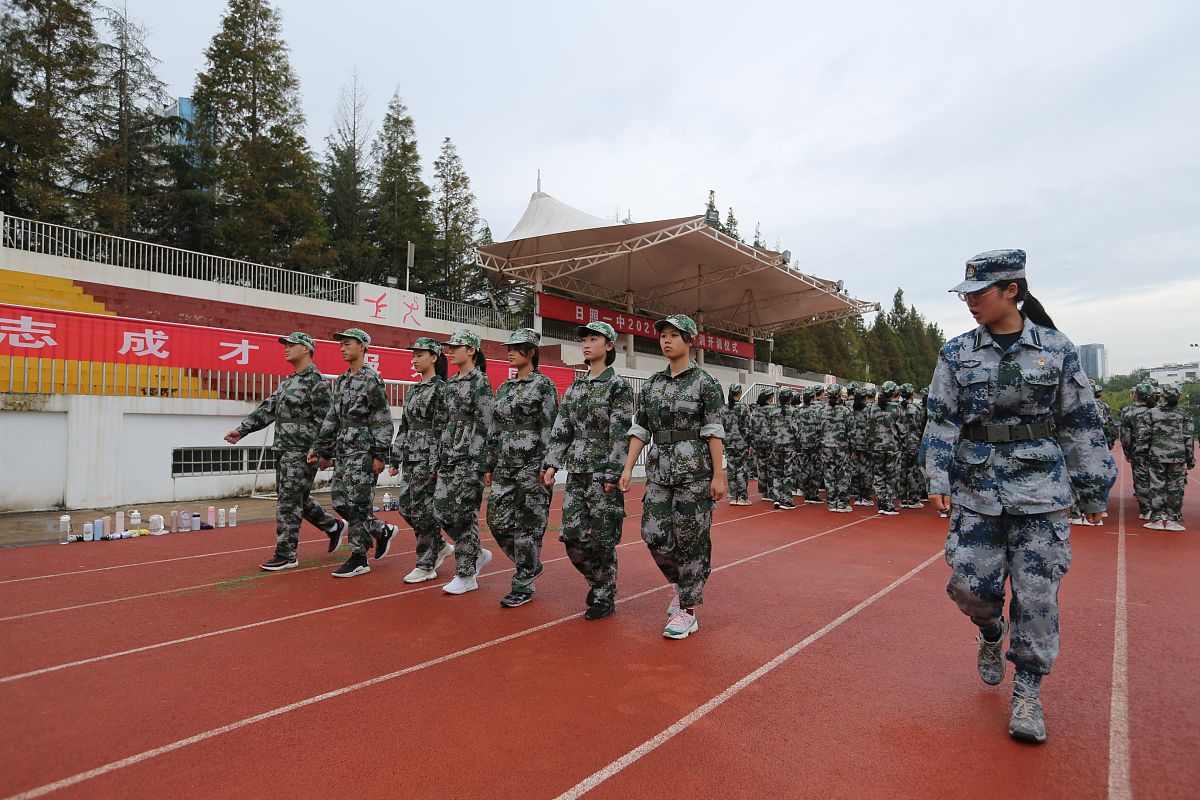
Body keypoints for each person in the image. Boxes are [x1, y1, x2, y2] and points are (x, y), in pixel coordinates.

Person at [924, 249, 1116, 744]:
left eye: (978, 292)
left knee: (1036, 594)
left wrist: (1093, 485)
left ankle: (1027, 691)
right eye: (965, 294)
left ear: (1012, 290)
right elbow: (941, 419)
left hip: (1041, 489)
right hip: (977, 485)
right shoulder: (957, 352)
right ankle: (990, 632)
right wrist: (936, 477)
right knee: (970, 585)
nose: (970, 302)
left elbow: (1079, 420)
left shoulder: (1055, 348)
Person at [619, 314, 726, 640]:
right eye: (663, 335)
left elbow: (714, 432)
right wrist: (628, 467)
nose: (666, 340)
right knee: (652, 533)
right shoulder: (653, 384)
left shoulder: (705, 383)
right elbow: (640, 428)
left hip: (694, 474)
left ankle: (688, 610)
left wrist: (718, 475)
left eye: (674, 335)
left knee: (691, 541)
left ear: (689, 340)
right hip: (660, 473)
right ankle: (683, 584)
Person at [226, 331, 345, 571]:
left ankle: (286, 553)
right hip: (284, 449)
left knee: (287, 503)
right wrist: (243, 430)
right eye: (286, 345)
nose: (286, 348)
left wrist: (325, 453)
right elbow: (267, 409)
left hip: (303, 452)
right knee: (296, 498)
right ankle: (333, 526)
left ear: (306, 349)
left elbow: (328, 421)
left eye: (292, 345)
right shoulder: (289, 382)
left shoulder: (317, 382)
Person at [543, 321, 633, 620]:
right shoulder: (576, 386)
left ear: (608, 345)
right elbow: (562, 427)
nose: (586, 344)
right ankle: (598, 581)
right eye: (584, 339)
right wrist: (553, 462)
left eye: (593, 339)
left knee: (603, 536)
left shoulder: (617, 386)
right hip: (578, 470)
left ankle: (604, 593)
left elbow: (621, 432)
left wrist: (613, 471)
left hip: (602, 472)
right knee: (571, 535)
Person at [308, 328, 398, 578]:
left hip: (363, 452)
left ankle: (359, 557)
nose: (343, 348)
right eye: (342, 344)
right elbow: (332, 418)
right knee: (339, 501)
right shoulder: (344, 379)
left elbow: (382, 419)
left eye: (348, 344)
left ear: (362, 347)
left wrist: (380, 455)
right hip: (344, 451)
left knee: (358, 505)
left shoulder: (372, 380)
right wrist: (320, 448)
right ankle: (380, 531)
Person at [481, 328, 559, 607]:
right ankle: (531, 563)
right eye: (509, 348)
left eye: (517, 347)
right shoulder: (504, 388)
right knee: (496, 520)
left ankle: (523, 582)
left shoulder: (544, 385)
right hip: (505, 465)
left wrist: (549, 464)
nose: (510, 352)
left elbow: (551, 426)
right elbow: (494, 428)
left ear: (532, 352)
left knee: (528, 525)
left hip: (532, 465)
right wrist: (488, 462)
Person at [387, 337, 455, 583]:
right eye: (413, 355)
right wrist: (395, 458)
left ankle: (426, 564)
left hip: (428, 458)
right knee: (406, 508)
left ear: (434, 357)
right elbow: (404, 426)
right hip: (411, 458)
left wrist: (436, 462)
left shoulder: (442, 389)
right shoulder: (415, 389)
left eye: (419, 355)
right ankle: (439, 546)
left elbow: (441, 429)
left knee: (423, 510)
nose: (414, 359)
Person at [434, 329, 495, 595]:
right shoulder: (449, 384)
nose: (450, 350)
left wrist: (481, 462)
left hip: (468, 458)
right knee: (440, 511)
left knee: (463, 513)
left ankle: (466, 573)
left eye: (456, 346)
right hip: (448, 456)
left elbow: (486, 423)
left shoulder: (480, 381)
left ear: (471, 350)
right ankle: (476, 552)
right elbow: (443, 423)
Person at [1144, 384, 1195, 531]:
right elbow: (1188, 439)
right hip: (1178, 457)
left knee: (1156, 487)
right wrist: (1190, 459)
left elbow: (1145, 436)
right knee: (1176, 488)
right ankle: (1173, 520)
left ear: (1162, 396)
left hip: (1156, 456)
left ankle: (1157, 519)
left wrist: (1141, 455)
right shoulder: (1185, 414)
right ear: (1178, 397)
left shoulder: (1152, 413)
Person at [1120, 384, 1157, 520]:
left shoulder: (1129, 412)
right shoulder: (1158, 411)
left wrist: (1127, 452)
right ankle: (1159, 509)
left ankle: (1147, 510)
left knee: (1141, 480)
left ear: (1135, 395)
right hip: (1157, 451)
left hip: (1139, 450)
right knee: (1158, 479)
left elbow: (1126, 436)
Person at [870, 381, 905, 516]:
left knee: (879, 475)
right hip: (892, 447)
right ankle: (889, 504)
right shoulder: (897, 409)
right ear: (894, 393)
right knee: (892, 475)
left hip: (877, 446)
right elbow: (902, 430)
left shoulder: (873, 408)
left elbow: (870, 426)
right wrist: (904, 444)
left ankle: (881, 503)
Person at [819, 384, 855, 512]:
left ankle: (831, 503)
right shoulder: (845, 411)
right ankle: (842, 503)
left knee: (829, 474)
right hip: (841, 447)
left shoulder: (822, 410)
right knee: (843, 475)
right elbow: (851, 431)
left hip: (826, 447)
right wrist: (853, 448)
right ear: (840, 395)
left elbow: (818, 429)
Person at [721, 383, 754, 506]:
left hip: (728, 442)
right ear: (739, 393)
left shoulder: (724, 408)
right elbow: (747, 428)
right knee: (742, 469)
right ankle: (742, 496)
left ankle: (733, 495)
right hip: (741, 443)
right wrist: (750, 442)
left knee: (731, 468)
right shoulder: (744, 407)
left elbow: (722, 426)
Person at [771, 388, 798, 510]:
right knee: (788, 473)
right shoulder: (793, 411)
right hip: (789, 446)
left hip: (775, 445)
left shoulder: (772, 412)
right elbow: (796, 430)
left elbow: (768, 428)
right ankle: (786, 500)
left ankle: (776, 498)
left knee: (776, 472)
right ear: (790, 399)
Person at [850, 384, 876, 506]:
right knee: (867, 470)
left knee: (855, 469)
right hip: (866, 443)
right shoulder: (870, 409)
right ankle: (866, 496)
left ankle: (857, 496)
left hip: (855, 442)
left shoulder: (851, 409)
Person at [750, 388, 777, 503]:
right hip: (770, 442)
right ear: (769, 398)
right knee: (771, 467)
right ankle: (771, 491)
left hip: (758, 442)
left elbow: (751, 428)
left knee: (761, 467)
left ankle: (763, 491)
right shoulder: (773, 410)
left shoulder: (755, 411)